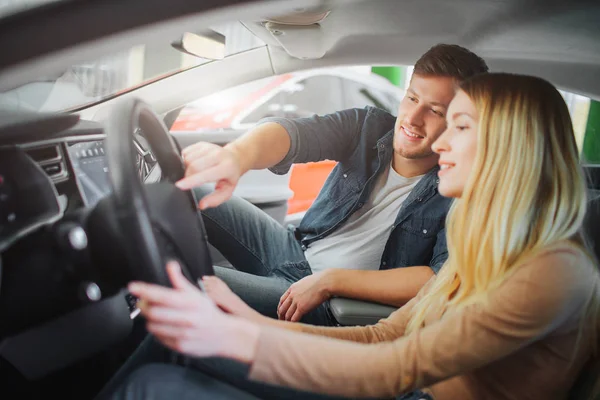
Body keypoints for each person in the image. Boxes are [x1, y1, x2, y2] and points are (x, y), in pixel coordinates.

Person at [104, 73, 600, 400]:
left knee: (157, 376)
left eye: (460, 125)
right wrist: (250, 325)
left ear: (510, 144)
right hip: (386, 369)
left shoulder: (552, 269)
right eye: (415, 101)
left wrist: (239, 336)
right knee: (176, 344)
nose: (440, 139)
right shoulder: (492, 249)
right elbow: (383, 336)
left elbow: (396, 369)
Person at [174, 44, 489, 325]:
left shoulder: (460, 186)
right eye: (412, 98)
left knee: (183, 282)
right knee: (183, 189)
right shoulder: (368, 127)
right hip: (293, 250)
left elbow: (438, 279)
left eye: (435, 111)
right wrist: (236, 156)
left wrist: (331, 282)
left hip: (330, 302)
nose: (412, 118)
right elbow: (293, 135)